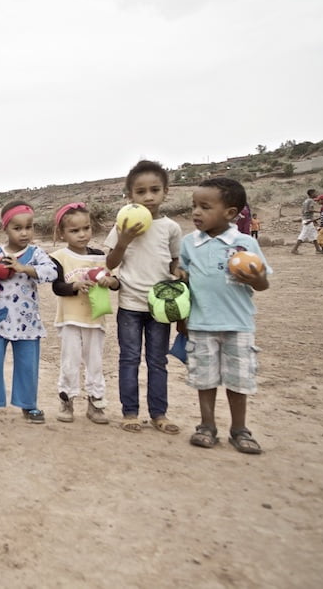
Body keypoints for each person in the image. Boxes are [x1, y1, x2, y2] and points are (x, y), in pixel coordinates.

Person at [178, 177, 270, 454]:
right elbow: (183, 278)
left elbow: (263, 284)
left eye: (205, 207)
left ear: (230, 213)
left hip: (238, 325)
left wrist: (256, 277)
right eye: (194, 206)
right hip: (201, 323)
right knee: (204, 380)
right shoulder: (189, 243)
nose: (196, 212)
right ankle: (207, 426)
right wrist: (182, 312)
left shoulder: (245, 244)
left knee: (238, 380)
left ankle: (239, 429)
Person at [104, 160, 183, 434]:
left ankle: (159, 414)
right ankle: (130, 412)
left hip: (161, 306)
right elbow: (110, 263)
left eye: (154, 190)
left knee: (157, 361)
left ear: (166, 192)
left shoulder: (171, 228)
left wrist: (179, 272)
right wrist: (124, 239)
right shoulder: (123, 223)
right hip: (130, 305)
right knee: (129, 358)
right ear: (130, 195)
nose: (148, 197)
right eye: (141, 192)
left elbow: (173, 262)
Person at [0, 201, 57, 423]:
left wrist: (23, 268)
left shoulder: (35, 253)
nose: (24, 233)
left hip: (27, 323)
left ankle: (28, 405)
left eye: (29, 227)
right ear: (4, 228)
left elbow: (52, 273)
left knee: (27, 364)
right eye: (17, 228)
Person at [49, 202, 120, 424]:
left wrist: (111, 281)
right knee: (70, 361)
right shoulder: (59, 257)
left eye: (86, 228)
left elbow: (117, 282)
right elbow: (57, 287)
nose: (82, 234)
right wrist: (75, 286)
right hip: (70, 319)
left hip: (95, 319)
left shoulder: (100, 257)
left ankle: (96, 404)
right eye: (74, 230)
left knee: (95, 362)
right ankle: (67, 400)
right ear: (62, 233)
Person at [292, 188, 319, 254]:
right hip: (308, 220)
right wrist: (319, 211)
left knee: (314, 235)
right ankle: (294, 249)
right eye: (315, 193)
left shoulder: (306, 201)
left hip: (306, 219)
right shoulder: (311, 201)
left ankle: (318, 249)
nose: (316, 194)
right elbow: (310, 210)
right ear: (312, 194)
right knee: (303, 235)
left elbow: (303, 210)